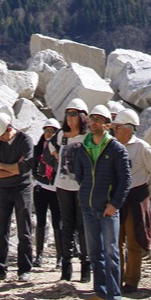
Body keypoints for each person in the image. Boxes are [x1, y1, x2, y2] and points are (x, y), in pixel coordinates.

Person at [73, 104, 131, 300]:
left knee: (111, 252)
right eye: (92, 119)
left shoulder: (117, 149)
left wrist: (114, 204)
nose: (93, 123)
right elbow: (79, 175)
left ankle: (114, 295)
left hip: (107, 210)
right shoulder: (83, 148)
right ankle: (100, 292)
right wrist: (85, 196)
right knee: (95, 252)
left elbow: (125, 181)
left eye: (98, 120)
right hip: (88, 208)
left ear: (107, 125)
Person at [112, 107, 151, 294]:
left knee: (133, 242)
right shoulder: (113, 147)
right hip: (117, 198)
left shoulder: (142, 148)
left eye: (117, 127)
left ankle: (132, 281)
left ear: (128, 129)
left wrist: (144, 194)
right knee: (116, 241)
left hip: (135, 199)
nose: (114, 130)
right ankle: (116, 278)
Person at [0, 112, 34, 282]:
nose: (1, 139)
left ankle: (24, 269)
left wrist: (2, 166)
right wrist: (13, 167)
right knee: (1, 230)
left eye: (3, 135)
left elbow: (26, 167)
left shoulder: (25, 140)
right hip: (3, 189)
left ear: (9, 129)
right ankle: (0, 269)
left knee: (24, 230)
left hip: (23, 189)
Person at [51, 97, 90, 283]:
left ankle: (86, 266)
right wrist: (56, 155)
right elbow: (51, 145)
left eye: (74, 114)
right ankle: (66, 266)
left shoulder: (88, 136)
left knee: (82, 226)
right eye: (67, 114)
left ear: (82, 116)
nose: (69, 118)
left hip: (81, 187)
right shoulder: (61, 135)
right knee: (66, 226)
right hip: (63, 185)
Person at [32, 117, 63, 268]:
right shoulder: (38, 148)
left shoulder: (61, 149)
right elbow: (33, 167)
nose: (49, 133)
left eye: (52, 131)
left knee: (58, 222)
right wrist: (40, 177)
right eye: (47, 130)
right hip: (41, 188)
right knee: (41, 221)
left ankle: (60, 256)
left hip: (57, 189)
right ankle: (38, 255)